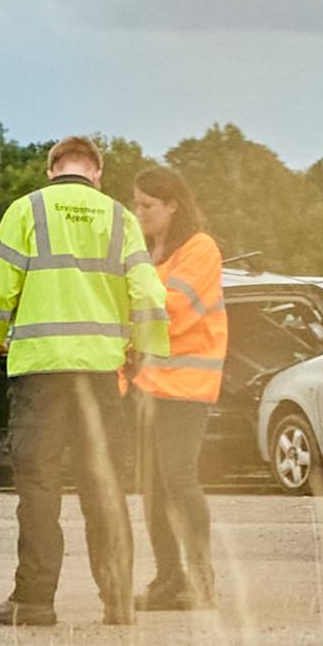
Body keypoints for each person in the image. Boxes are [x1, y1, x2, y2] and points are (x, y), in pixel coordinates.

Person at [0, 137, 173, 627]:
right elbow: (147, 288)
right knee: (102, 487)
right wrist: (145, 346)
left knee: (39, 488)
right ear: (97, 173)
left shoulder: (26, 211)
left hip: (40, 372)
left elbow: (1, 289)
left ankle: (35, 601)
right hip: (100, 376)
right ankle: (119, 600)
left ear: (52, 170)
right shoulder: (120, 218)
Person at [126, 168, 229, 612]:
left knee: (178, 479)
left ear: (173, 205)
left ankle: (200, 580)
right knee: (153, 486)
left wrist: (126, 315)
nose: (139, 212)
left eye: (147, 205)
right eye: (136, 204)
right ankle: (169, 579)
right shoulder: (150, 254)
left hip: (187, 386)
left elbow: (174, 311)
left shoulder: (199, 249)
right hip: (149, 386)